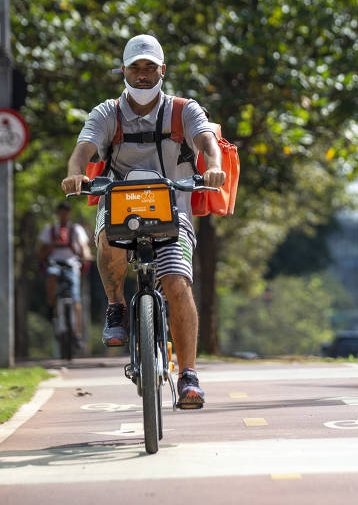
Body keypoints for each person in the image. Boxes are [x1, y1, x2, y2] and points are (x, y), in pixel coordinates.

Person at [60, 34, 226, 409]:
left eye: (149, 67)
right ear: (124, 70)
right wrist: (75, 174)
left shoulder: (184, 110)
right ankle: (116, 305)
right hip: (121, 207)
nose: (142, 74)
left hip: (172, 211)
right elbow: (82, 152)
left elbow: (207, 143)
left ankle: (188, 376)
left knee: (177, 283)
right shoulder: (107, 113)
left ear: (162, 70)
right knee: (106, 238)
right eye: (135, 67)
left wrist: (212, 167)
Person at [36, 201, 93, 349]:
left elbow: (84, 247)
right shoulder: (49, 230)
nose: (64, 214)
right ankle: (51, 305)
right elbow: (40, 254)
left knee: (76, 297)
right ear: (57, 213)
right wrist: (52, 245)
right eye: (61, 211)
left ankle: (77, 334)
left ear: (69, 213)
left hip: (71, 264)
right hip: (54, 263)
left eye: (66, 211)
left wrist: (87, 255)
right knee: (52, 275)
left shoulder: (76, 230)